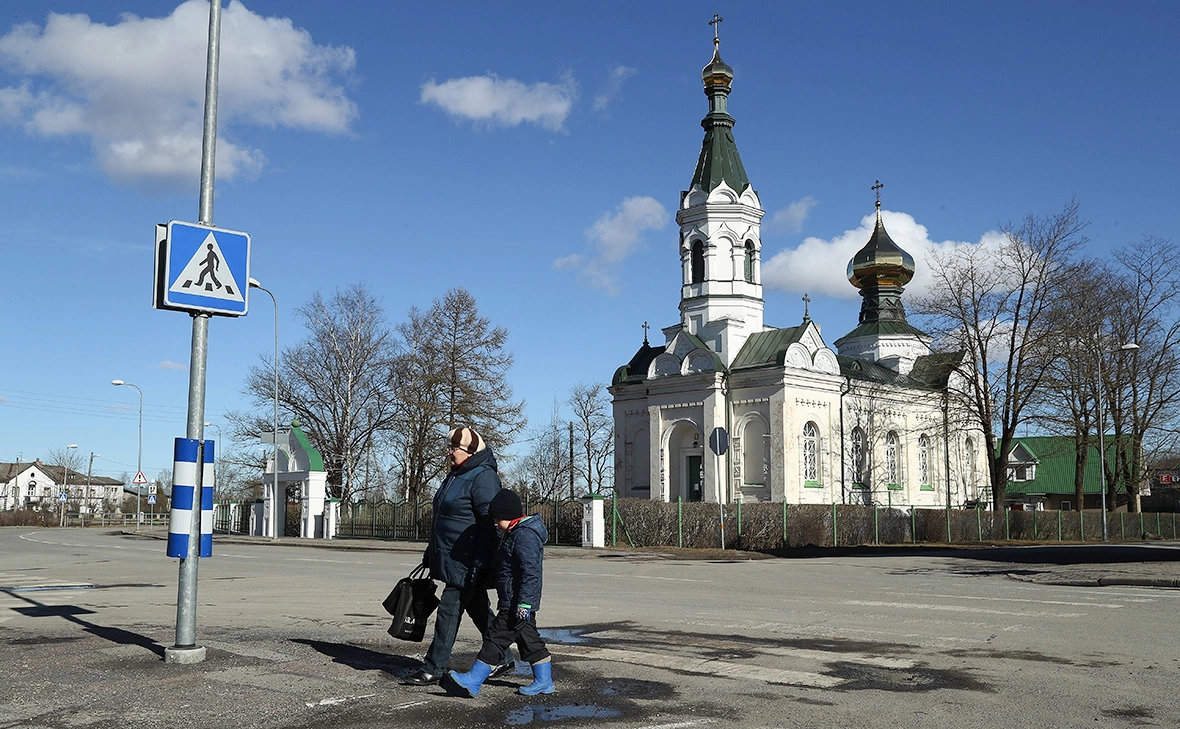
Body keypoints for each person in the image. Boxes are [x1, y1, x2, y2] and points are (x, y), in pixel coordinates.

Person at [401, 427, 513, 686]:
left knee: (449, 610)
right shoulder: (456, 475)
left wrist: (481, 563)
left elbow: (491, 523)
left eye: (454, 448)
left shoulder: (483, 477)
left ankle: (433, 667)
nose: (449, 452)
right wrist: (431, 552)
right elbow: (443, 518)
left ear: (470, 452)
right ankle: (503, 655)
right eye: (449, 447)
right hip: (452, 556)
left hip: (469, 559)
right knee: (478, 610)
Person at [447, 488, 554, 697]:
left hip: (517, 603)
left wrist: (524, 604)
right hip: (513, 600)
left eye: (498, 520)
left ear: (510, 516)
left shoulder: (524, 536)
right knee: (528, 640)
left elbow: (530, 573)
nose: (495, 524)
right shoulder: (514, 533)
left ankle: (474, 680)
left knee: (496, 637)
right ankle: (544, 681)